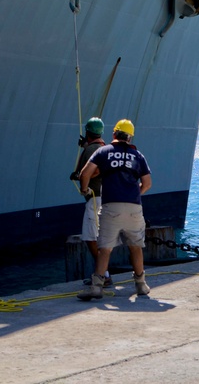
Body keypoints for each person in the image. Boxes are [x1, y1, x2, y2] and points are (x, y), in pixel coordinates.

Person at [77, 119, 152, 300]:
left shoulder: (104, 152)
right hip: (134, 206)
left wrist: (84, 189)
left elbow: (85, 174)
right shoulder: (138, 155)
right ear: (130, 136)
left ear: (114, 134)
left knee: (105, 249)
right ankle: (141, 285)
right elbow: (147, 183)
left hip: (111, 206)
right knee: (135, 247)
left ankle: (97, 287)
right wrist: (135, 195)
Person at [71, 117, 111, 287]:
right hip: (107, 197)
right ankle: (103, 274)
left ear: (87, 132)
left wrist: (83, 186)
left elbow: (90, 172)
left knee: (90, 237)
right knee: (101, 237)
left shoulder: (91, 150)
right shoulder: (105, 149)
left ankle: (103, 275)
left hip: (95, 199)